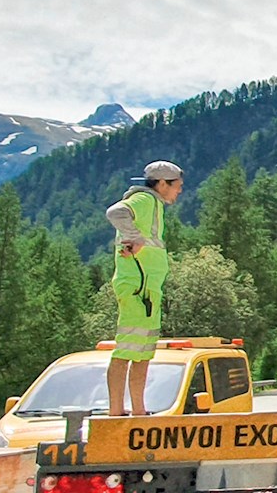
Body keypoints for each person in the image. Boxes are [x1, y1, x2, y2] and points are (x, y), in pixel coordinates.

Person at [104, 161, 184, 416]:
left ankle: (138, 410)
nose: (179, 192)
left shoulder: (155, 205)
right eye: (177, 187)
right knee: (126, 350)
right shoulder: (144, 199)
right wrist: (135, 238)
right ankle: (116, 411)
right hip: (137, 288)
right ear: (162, 184)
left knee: (142, 353)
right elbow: (115, 212)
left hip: (148, 289)